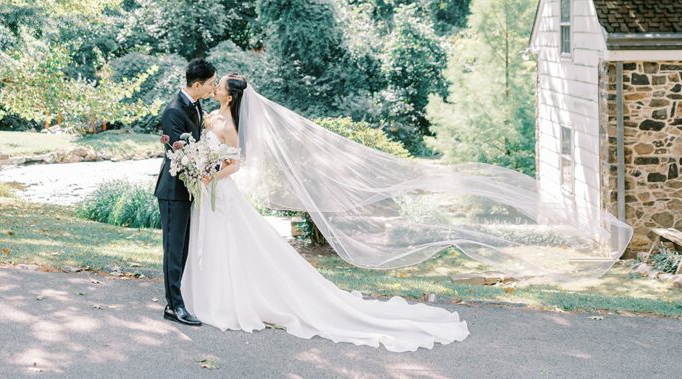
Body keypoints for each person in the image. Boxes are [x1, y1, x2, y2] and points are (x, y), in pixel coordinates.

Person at [179, 74, 470, 352]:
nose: (215, 87)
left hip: (220, 192)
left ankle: (225, 302)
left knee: (226, 243)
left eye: (221, 86)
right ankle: (206, 296)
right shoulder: (210, 118)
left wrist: (210, 174)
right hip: (205, 193)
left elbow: (235, 165)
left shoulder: (230, 125)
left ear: (229, 97)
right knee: (212, 241)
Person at [154, 58, 216, 326]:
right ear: (198, 84)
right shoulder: (173, 111)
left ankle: (180, 298)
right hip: (172, 191)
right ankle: (174, 306)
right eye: (211, 84)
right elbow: (181, 154)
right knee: (173, 249)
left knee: (183, 249)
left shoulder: (198, 106)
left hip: (188, 189)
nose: (213, 88)